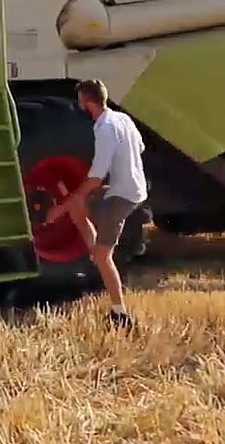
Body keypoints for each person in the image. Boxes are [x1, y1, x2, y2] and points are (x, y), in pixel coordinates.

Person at [43, 78, 147, 329]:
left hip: (123, 197)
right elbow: (140, 148)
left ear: (87, 103)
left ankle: (121, 314)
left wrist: (60, 208)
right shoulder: (123, 118)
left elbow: (95, 179)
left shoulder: (104, 128)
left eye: (80, 101)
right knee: (79, 207)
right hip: (130, 187)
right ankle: (93, 251)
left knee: (104, 256)